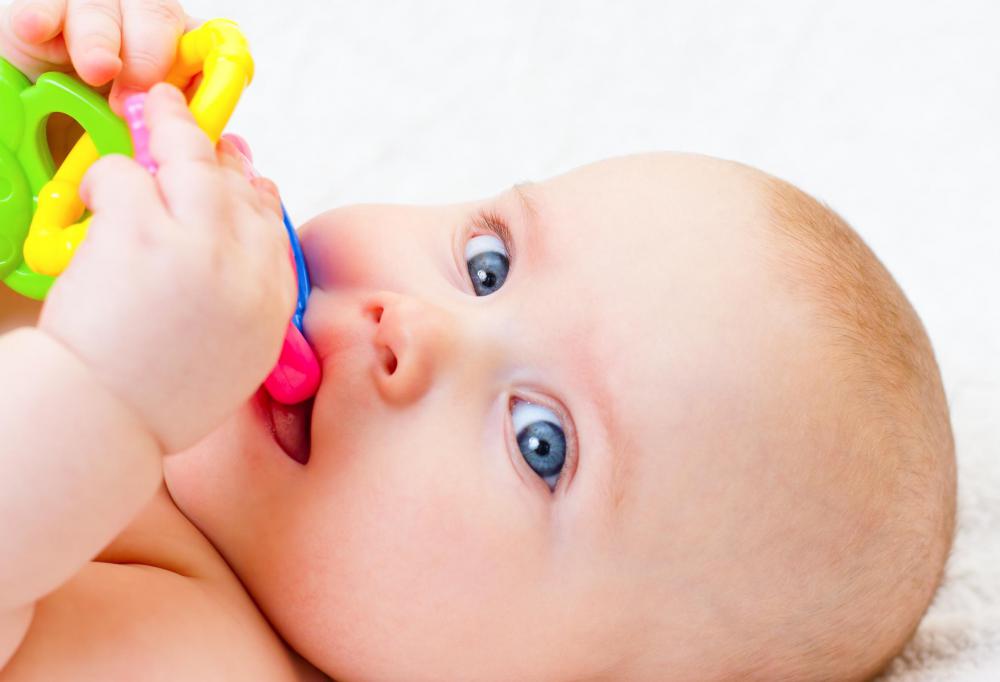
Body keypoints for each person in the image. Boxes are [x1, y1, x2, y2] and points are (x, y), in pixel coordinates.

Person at [0, 1, 956, 679]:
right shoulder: (153, 292)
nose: (412, 326)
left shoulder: (207, 649)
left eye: (542, 442)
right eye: (487, 264)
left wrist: (111, 391)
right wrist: (40, 113)